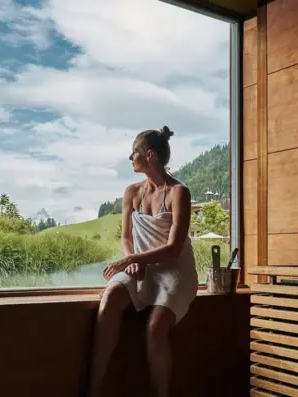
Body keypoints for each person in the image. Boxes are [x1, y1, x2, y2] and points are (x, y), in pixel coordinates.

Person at [87, 126, 198, 397]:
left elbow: (173, 249)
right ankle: (94, 389)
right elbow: (126, 237)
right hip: (140, 267)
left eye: (134, 152)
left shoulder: (178, 193)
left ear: (150, 155)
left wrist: (134, 258)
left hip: (175, 271)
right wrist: (131, 261)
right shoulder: (132, 192)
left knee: (155, 327)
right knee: (111, 294)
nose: (130, 158)